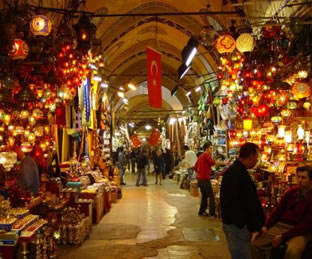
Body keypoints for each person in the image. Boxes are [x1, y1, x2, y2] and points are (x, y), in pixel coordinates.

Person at [251, 166, 312, 259]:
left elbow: (306, 225)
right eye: (298, 177)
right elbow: (277, 212)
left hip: (300, 231)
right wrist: (266, 226)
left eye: (303, 178)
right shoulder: (291, 192)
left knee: (293, 251)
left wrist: (283, 236)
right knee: (255, 245)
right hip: (281, 226)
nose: (299, 180)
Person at [220, 142, 265, 259]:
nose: (257, 161)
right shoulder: (236, 173)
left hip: (237, 225)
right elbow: (235, 202)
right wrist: (243, 223)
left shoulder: (237, 171)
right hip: (237, 227)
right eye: (257, 157)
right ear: (251, 157)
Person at [195, 141, 227, 217]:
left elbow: (195, 167)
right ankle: (212, 213)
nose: (211, 150)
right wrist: (224, 163)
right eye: (210, 148)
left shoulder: (200, 156)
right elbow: (213, 162)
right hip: (204, 178)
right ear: (206, 148)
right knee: (211, 195)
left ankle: (202, 211)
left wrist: (200, 172)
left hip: (200, 178)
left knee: (205, 195)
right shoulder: (206, 155)